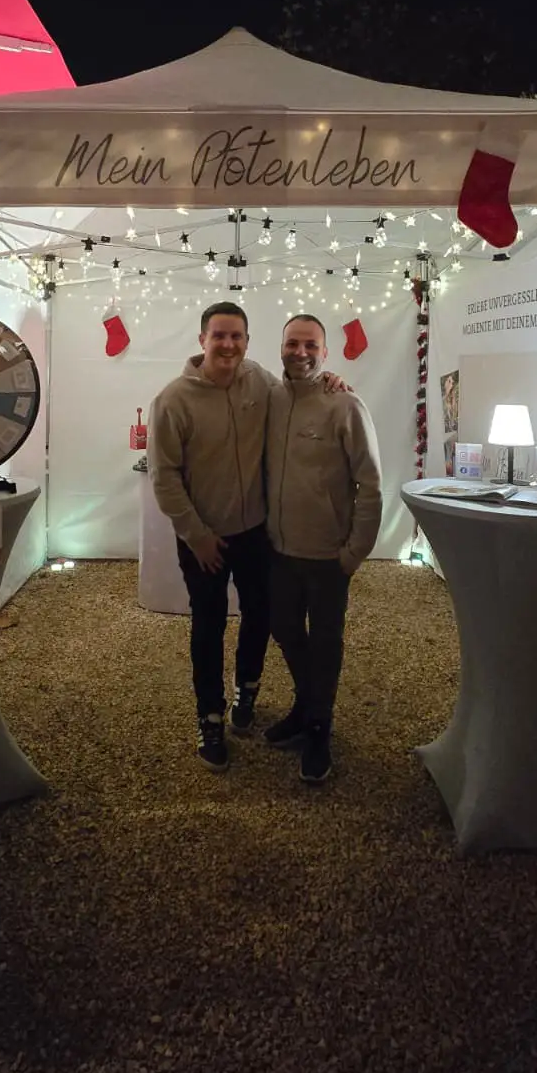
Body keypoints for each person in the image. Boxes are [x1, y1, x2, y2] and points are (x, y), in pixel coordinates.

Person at [149, 301, 345, 771]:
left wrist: (331, 381)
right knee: (209, 623)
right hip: (203, 538)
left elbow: (300, 391)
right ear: (202, 340)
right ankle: (210, 717)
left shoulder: (260, 382)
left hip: (255, 531)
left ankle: (247, 691)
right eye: (219, 335)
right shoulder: (173, 400)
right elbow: (164, 476)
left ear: (248, 342)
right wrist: (196, 535)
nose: (228, 344)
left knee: (260, 615)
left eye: (236, 336)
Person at [264, 314, 382, 784]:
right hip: (279, 549)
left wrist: (356, 551)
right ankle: (306, 706)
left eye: (311, 345)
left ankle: (318, 728)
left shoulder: (345, 404)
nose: (301, 353)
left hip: (328, 555)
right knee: (285, 629)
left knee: (326, 641)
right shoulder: (270, 400)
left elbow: (370, 483)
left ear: (325, 352)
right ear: (281, 347)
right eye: (292, 343)